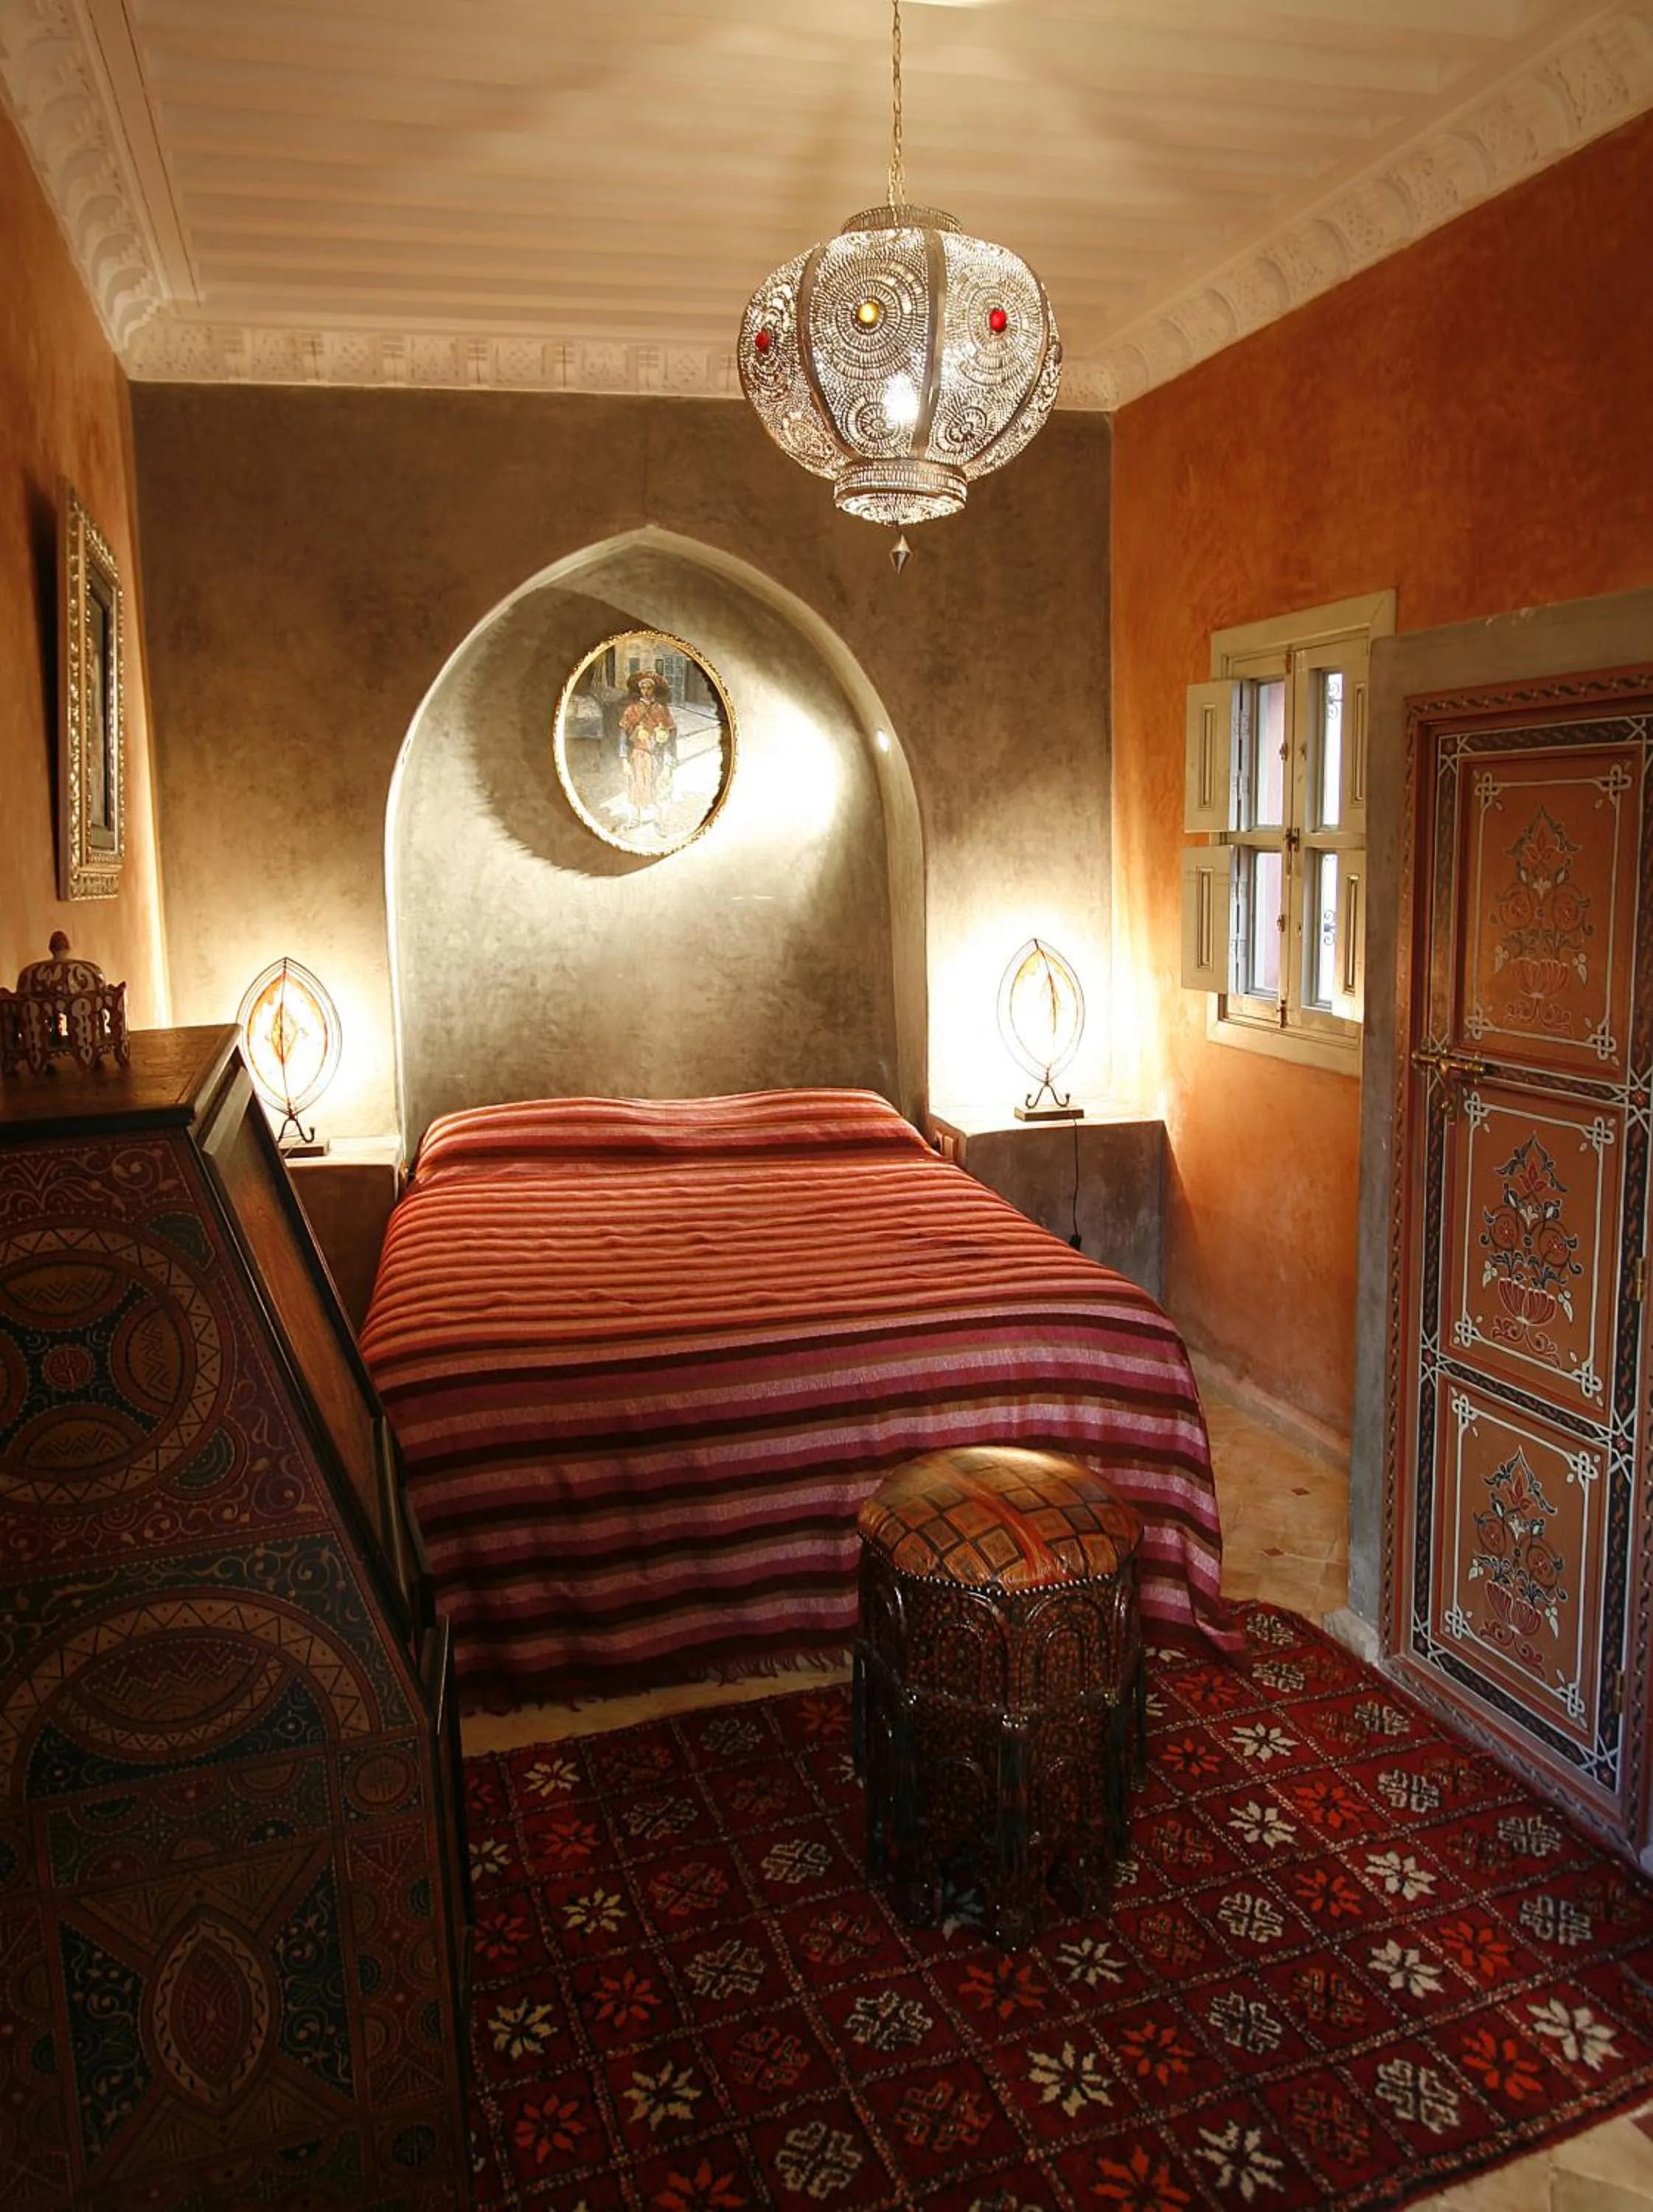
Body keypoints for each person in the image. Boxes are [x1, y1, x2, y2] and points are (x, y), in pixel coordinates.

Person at [619, 669, 678, 827]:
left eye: (649, 687)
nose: (646, 691)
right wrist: (624, 759)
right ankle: (635, 818)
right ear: (639, 690)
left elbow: (672, 733)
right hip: (637, 754)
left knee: (656, 786)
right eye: (643, 688)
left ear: (654, 690)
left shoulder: (662, 710)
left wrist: (669, 759)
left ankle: (659, 821)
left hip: (656, 754)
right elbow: (623, 735)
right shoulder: (631, 710)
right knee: (635, 785)